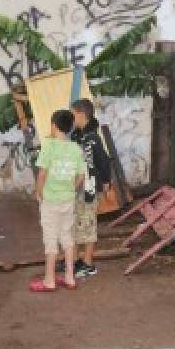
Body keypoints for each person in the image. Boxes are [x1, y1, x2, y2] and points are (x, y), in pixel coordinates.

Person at [32, 109, 86, 293]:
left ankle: (49, 280)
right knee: (67, 236)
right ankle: (70, 277)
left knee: (50, 238)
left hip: (50, 199)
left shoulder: (49, 146)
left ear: (53, 125)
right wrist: (72, 187)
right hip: (68, 198)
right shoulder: (76, 148)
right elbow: (80, 175)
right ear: (71, 127)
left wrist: (38, 192)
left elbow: (42, 173)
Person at [70, 99, 111, 279]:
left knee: (88, 225)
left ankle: (88, 264)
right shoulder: (78, 136)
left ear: (80, 114)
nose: (71, 118)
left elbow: (103, 160)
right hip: (78, 189)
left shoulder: (92, 138)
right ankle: (79, 260)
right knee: (78, 224)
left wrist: (106, 181)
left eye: (73, 114)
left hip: (89, 190)